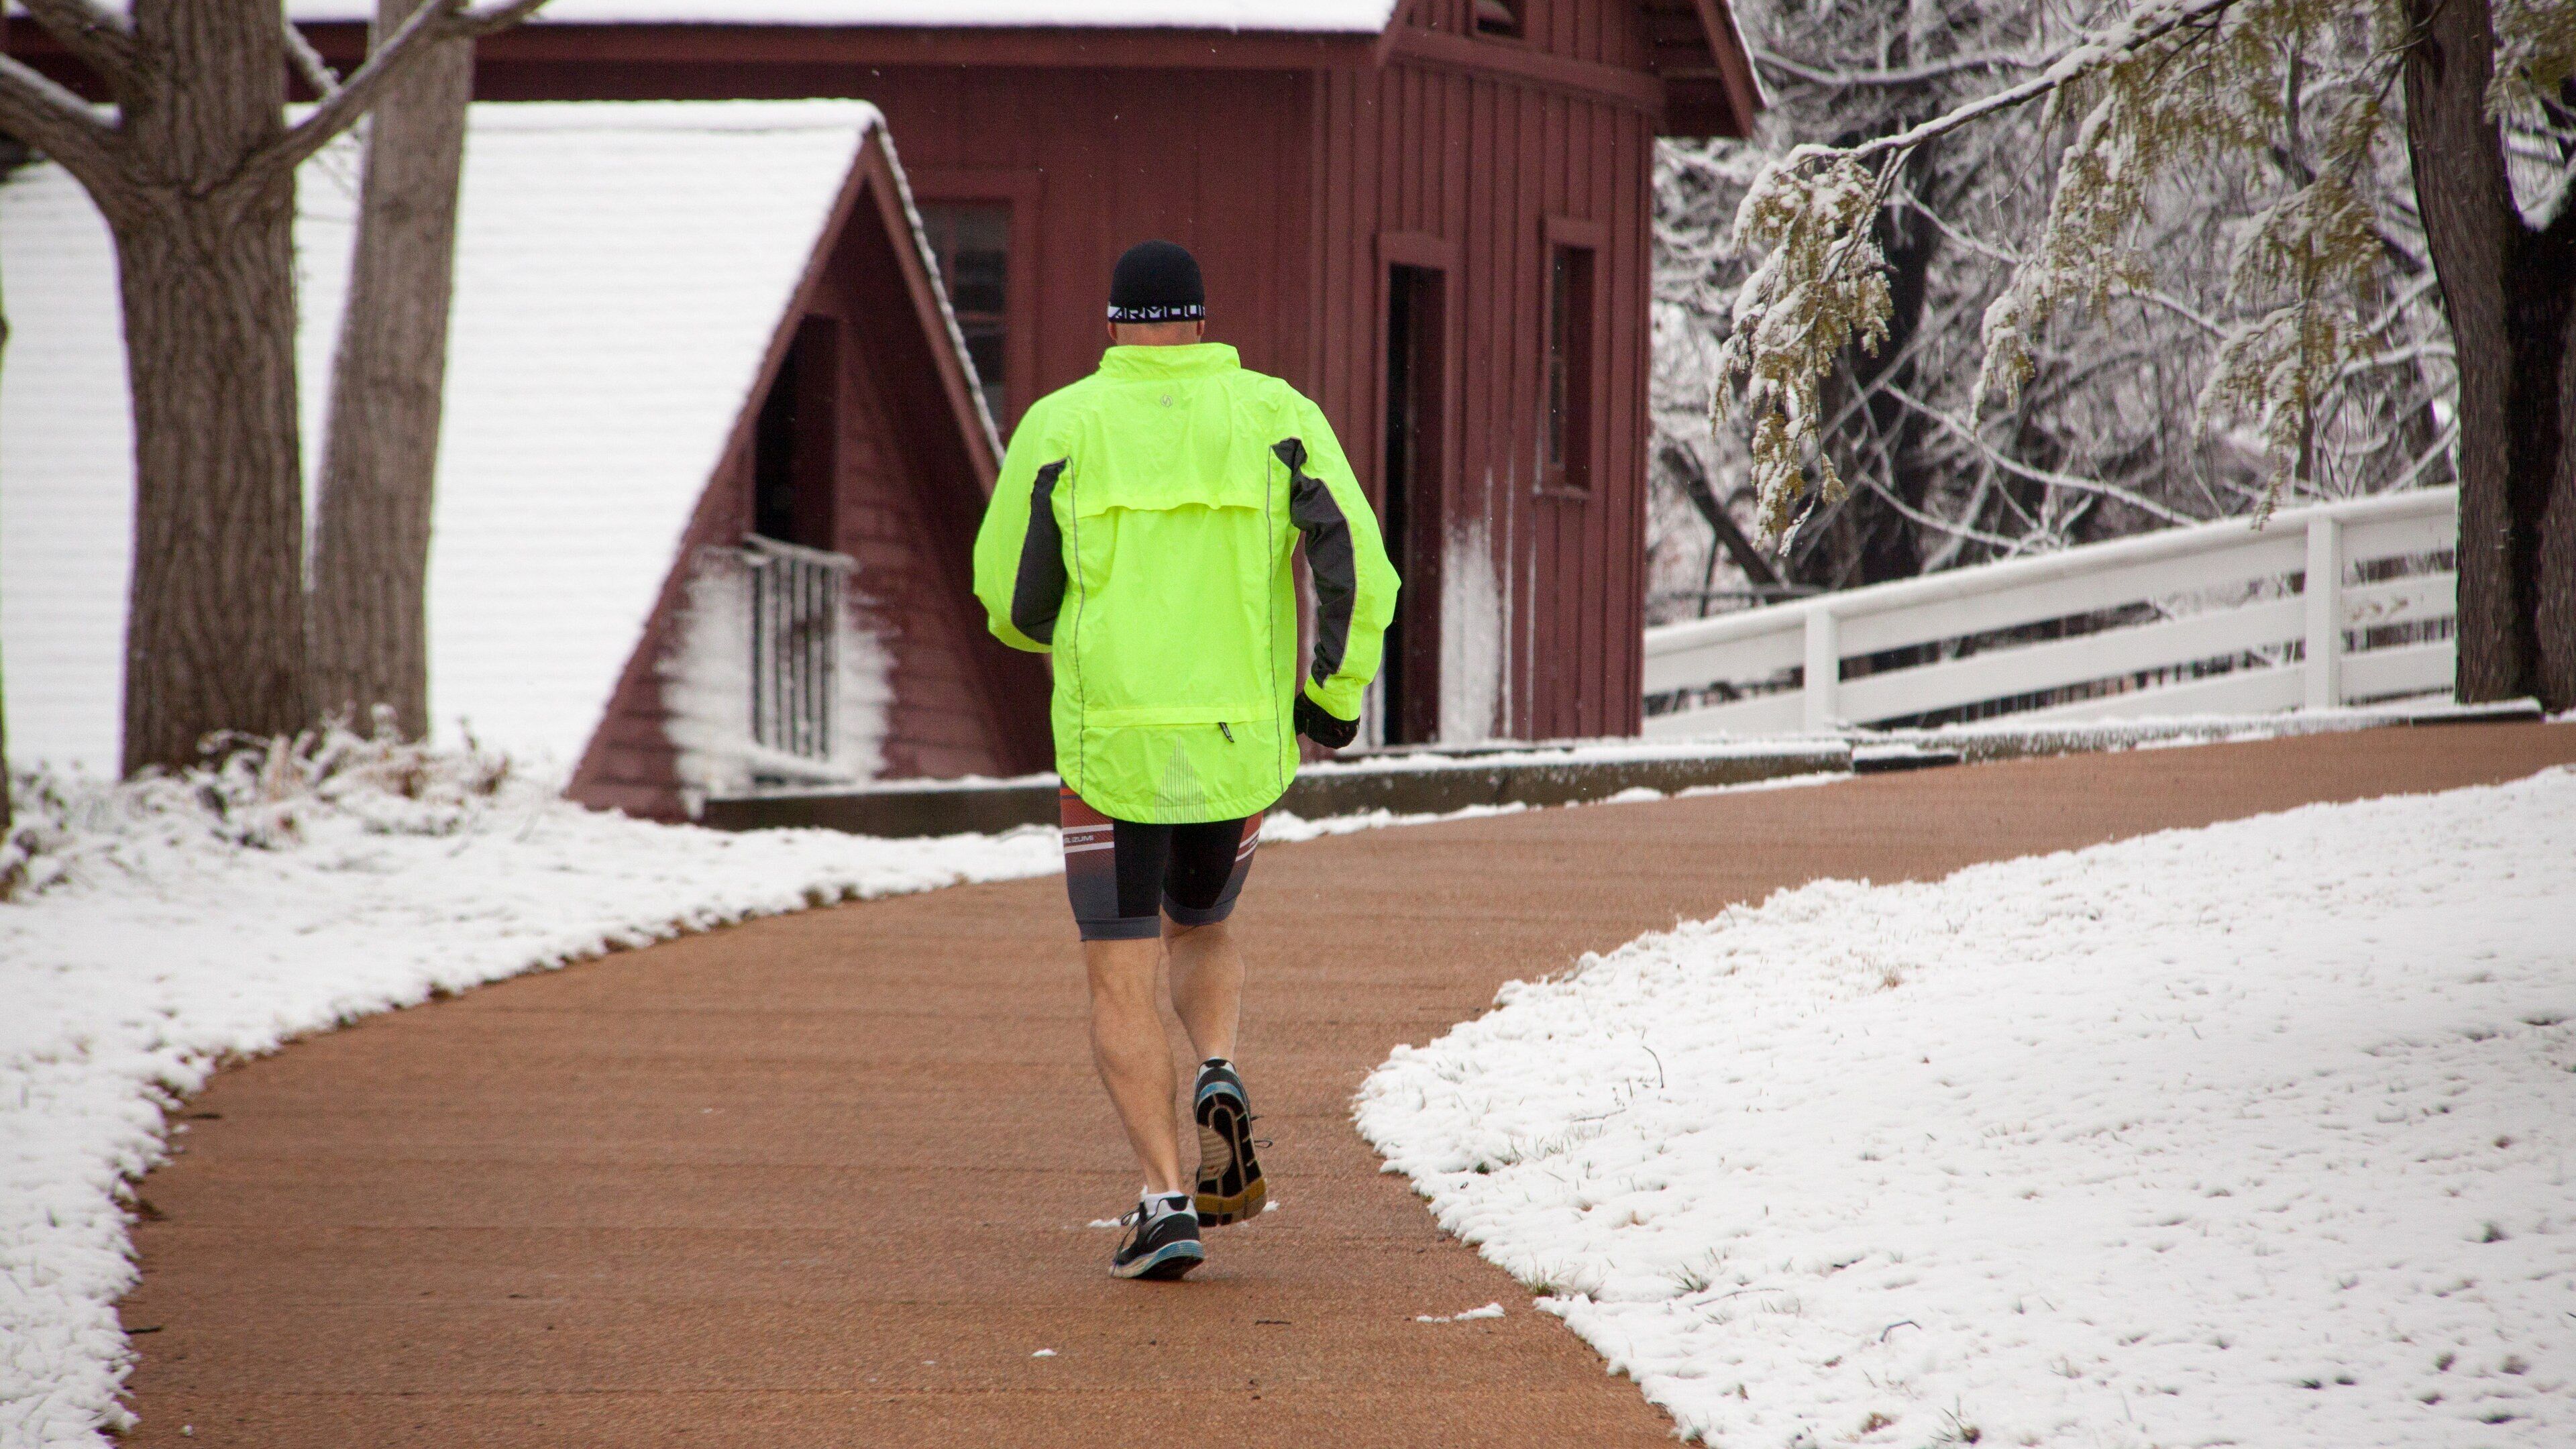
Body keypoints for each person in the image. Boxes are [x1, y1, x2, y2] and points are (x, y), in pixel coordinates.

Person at [971, 240, 1399, 1280]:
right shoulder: (1276, 416)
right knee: (1201, 924)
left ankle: (1165, 1201)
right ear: (1202, 320)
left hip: (1111, 743)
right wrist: (1331, 699)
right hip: (1234, 741)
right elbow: (1363, 568)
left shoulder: (1062, 426)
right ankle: (1217, 1066)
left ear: (1114, 323)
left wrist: (1087, 629)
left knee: (1119, 967)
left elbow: (1011, 603)